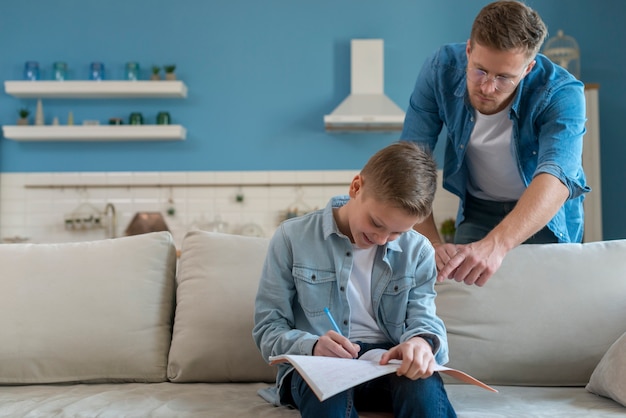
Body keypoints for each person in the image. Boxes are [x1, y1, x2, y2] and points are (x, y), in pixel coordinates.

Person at [253, 141, 456, 418]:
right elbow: (268, 328)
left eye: (396, 233)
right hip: (317, 362)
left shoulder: (418, 250)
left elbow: (424, 317)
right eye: (376, 223)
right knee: (325, 396)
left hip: (388, 363)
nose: (382, 239)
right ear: (356, 187)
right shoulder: (292, 238)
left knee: (422, 389)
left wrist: (421, 343)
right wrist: (311, 346)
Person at [401, 0, 589, 287]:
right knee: (466, 299)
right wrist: (432, 245)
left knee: (545, 305)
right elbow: (410, 163)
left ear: (527, 69)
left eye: (504, 78)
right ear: (468, 50)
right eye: (479, 71)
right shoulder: (440, 69)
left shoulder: (562, 92)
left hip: (543, 214)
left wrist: (497, 244)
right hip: (479, 209)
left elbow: (557, 176)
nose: (487, 87)